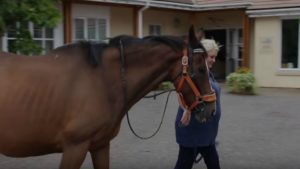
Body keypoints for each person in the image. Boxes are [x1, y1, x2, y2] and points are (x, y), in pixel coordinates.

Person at [174, 39, 221, 169]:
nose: (214, 60)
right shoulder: (194, 76)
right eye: (211, 57)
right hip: (192, 134)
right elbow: (180, 92)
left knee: (214, 164)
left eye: (215, 57)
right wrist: (186, 109)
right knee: (183, 165)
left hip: (207, 134)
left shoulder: (207, 75)